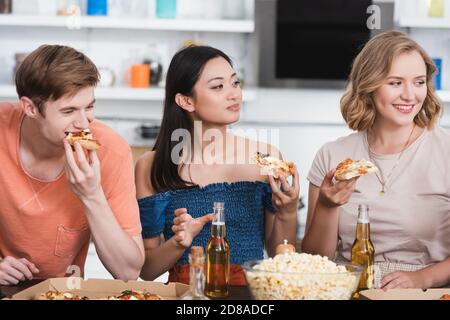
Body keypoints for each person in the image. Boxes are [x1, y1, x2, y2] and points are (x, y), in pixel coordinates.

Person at [136, 45, 300, 285]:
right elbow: (147, 270)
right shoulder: (150, 166)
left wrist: (288, 212)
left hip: (248, 297)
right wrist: (178, 242)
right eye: (218, 87)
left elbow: (279, 258)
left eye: (235, 83)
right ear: (185, 100)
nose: (234, 94)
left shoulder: (266, 158)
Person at [302, 31, 450, 289]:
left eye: (419, 82)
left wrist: (421, 278)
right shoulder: (332, 155)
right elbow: (316, 260)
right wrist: (327, 205)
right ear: (368, 85)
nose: (410, 95)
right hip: (348, 290)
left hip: (426, 292)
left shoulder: (445, 150)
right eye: (395, 83)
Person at [0, 45, 144, 286]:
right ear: (30, 108)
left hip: (65, 291)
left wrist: (91, 195)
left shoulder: (111, 151)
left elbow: (128, 271)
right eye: (68, 111)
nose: (83, 123)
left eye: (89, 107)